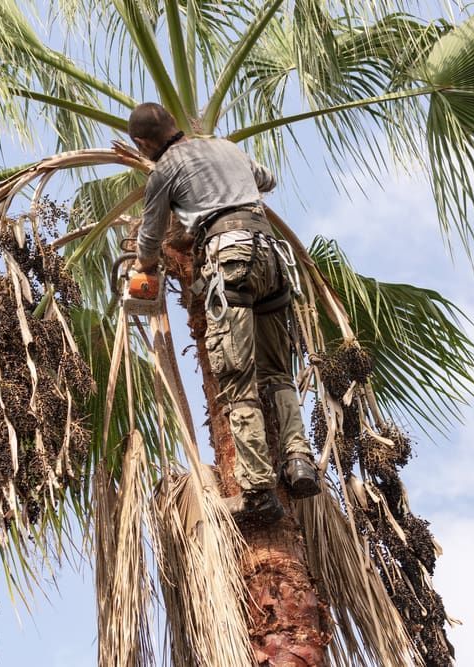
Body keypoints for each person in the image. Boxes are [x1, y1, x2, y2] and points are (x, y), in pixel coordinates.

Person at [128, 102, 320, 525]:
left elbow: (152, 232)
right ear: (175, 125)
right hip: (271, 257)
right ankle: (298, 461)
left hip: (228, 260)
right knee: (277, 372)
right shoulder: (226, 146)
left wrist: (144, 265)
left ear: (142, 144)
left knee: (237, 379)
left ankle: (257, 492)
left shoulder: (164, 171)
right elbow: (267, 177)